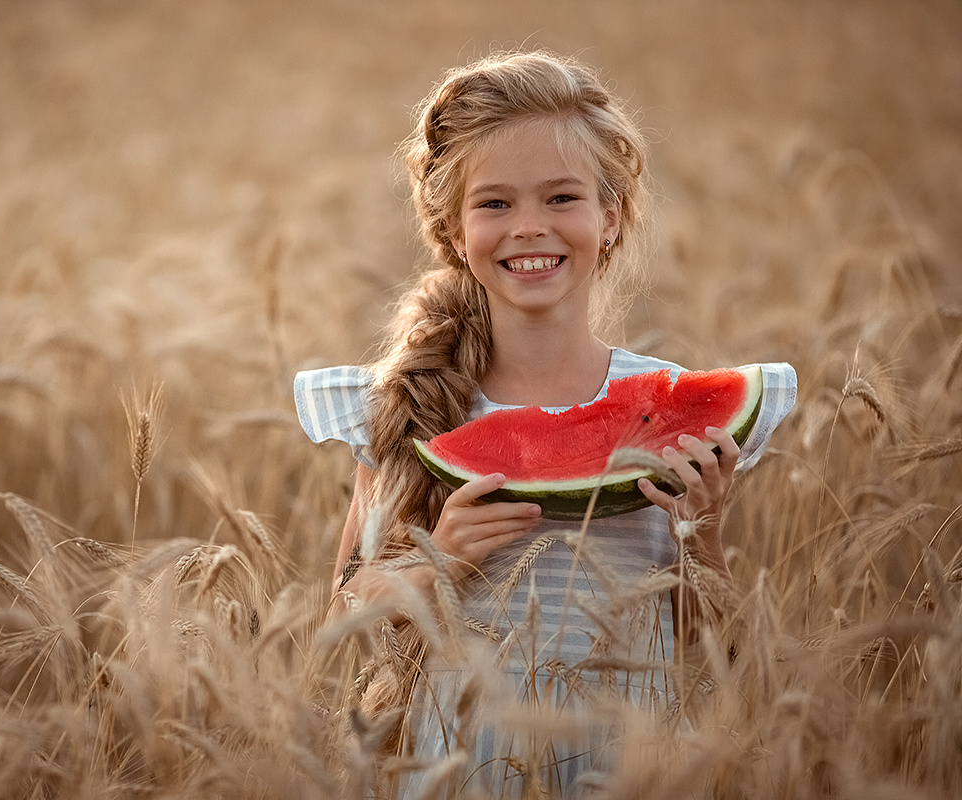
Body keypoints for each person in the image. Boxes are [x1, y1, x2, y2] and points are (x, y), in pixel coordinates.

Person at [294, 51, 796, 796]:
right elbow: (346, 614)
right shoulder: (412, 404)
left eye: (561, 198)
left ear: (611, 216)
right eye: (494, 204)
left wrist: (703, 537)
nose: (529, 227)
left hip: (628, 765)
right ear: (455, 231)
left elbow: (705, 642)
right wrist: (439, 563)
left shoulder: (670, 407)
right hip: (462, 766)